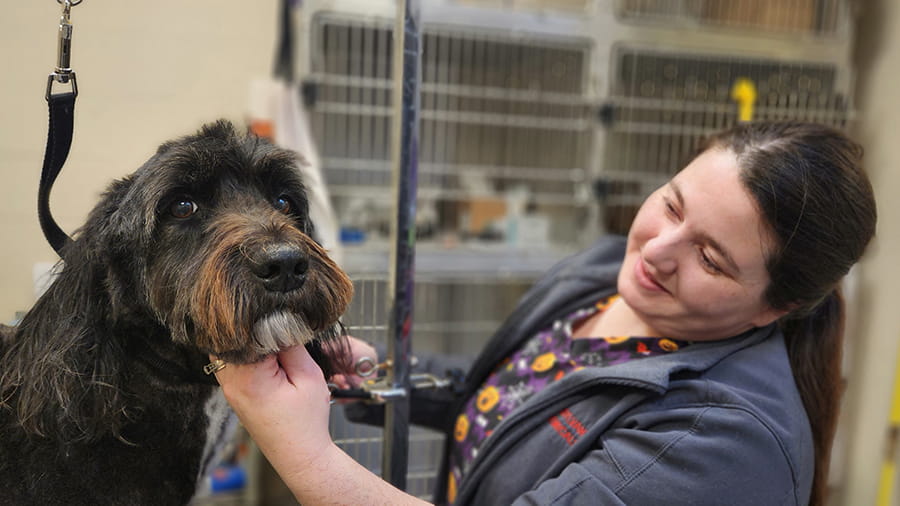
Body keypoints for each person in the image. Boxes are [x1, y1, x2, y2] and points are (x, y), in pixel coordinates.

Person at [211, 121, 877, 506]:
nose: (658, 250)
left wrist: (302, 455)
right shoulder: (613, 275)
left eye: (712, 258)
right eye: (672, 205)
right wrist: (378, 374)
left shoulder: (730, 444)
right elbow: (522, 389)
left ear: (778, 305)